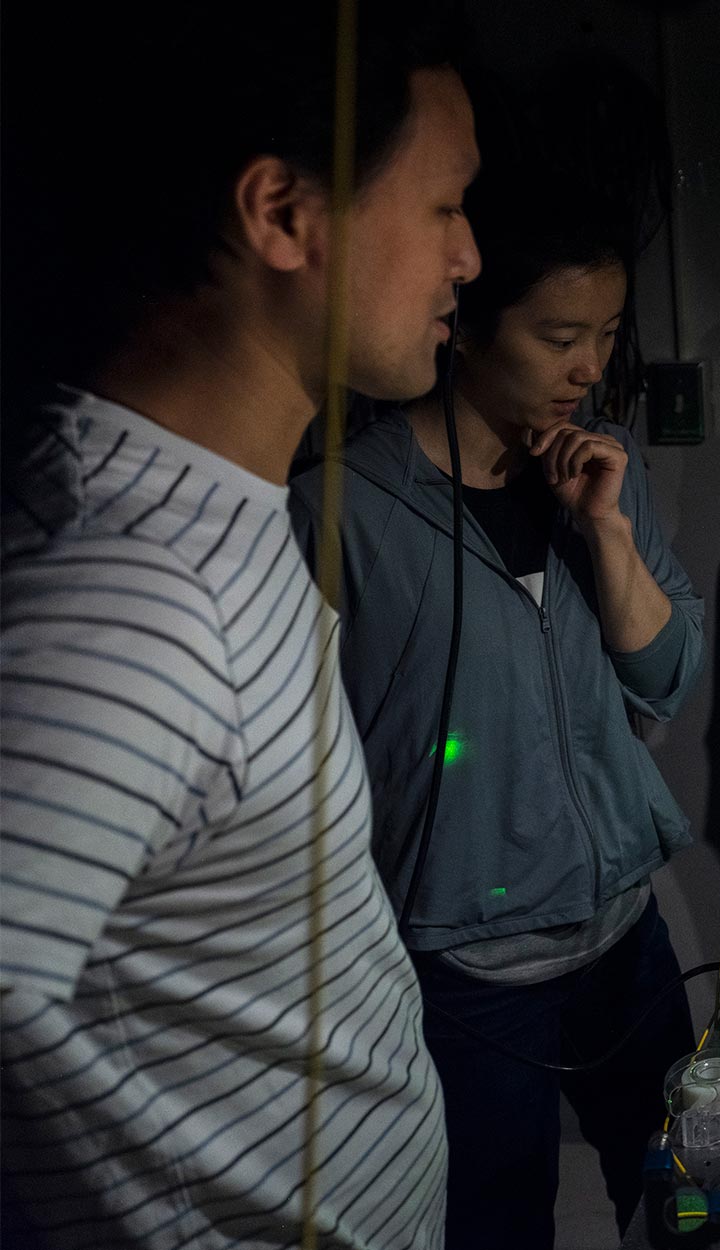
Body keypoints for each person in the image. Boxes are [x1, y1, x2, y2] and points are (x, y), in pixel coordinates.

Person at [0, 4, 477, 1246]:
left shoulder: (212, 498)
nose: (470, 256)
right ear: (282, 215)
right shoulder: (132, 601)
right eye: (442, 207)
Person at [288, 117, 703, 1247]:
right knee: (494, 1217)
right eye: (559, 334)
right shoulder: (346, 508)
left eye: (607, 334)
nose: (589, 367)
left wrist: (607, 535)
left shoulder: (602, 464)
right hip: (468, 967)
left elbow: (666, 676)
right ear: (464, 323)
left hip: (625, 931)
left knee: (687, 1190)